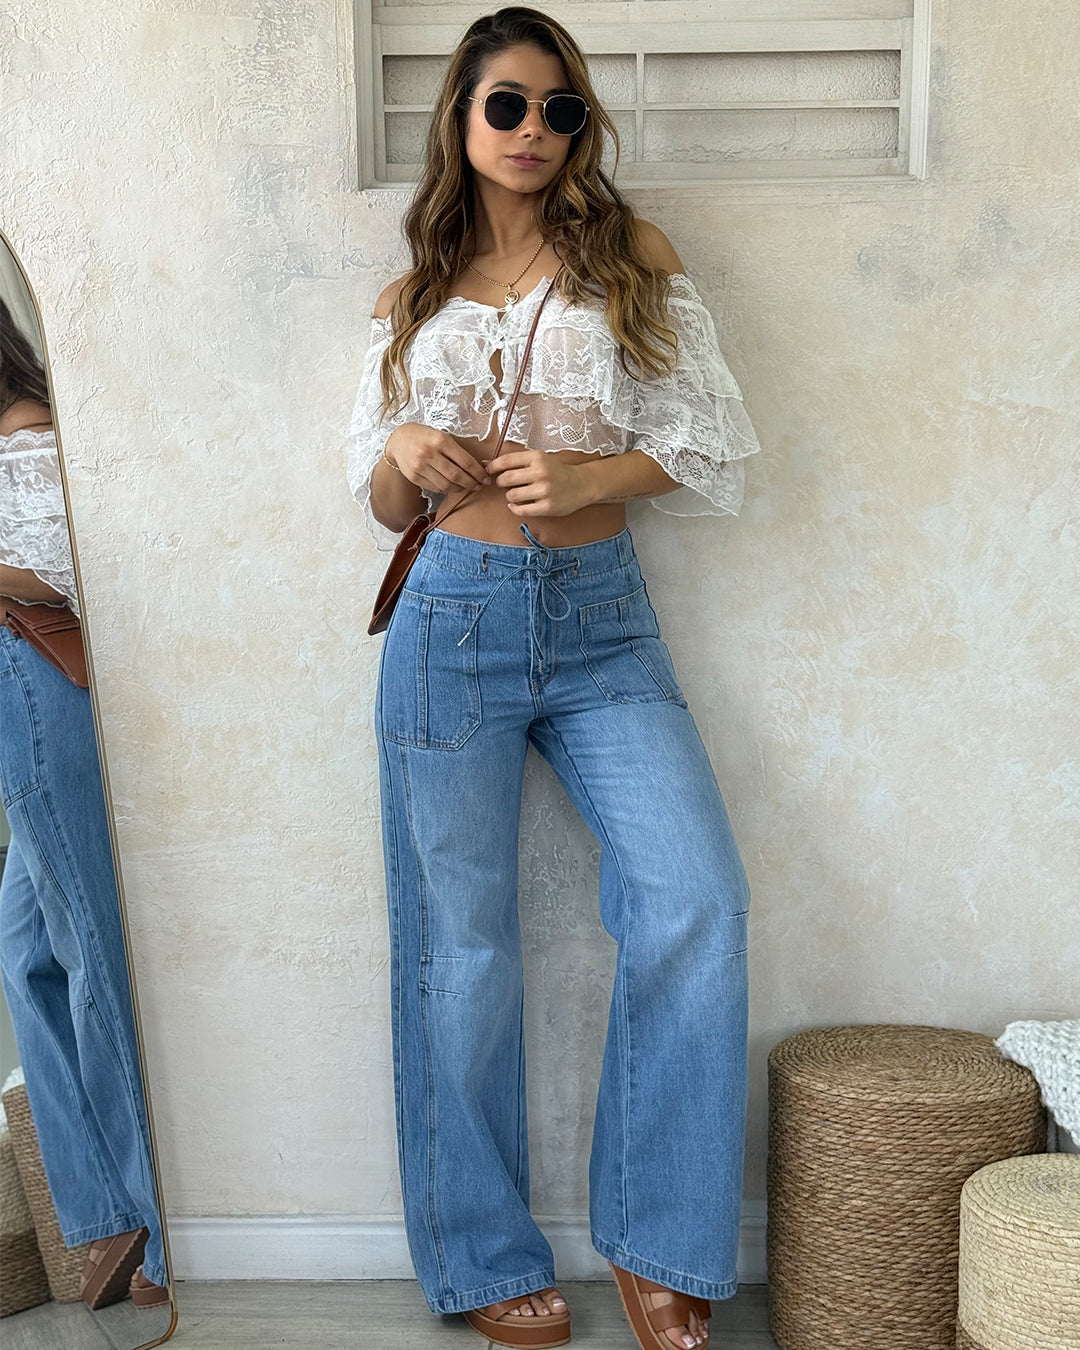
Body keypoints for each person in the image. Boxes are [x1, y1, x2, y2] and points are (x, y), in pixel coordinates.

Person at [346, 10, 761, 1349]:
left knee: (695, 896)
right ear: (461, 120)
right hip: (450, 623)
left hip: (604, 627)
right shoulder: (412, 294)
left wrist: (587, 478)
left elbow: (705, 444)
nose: (534, 131)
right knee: (459, 948)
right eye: (508, 106)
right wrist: (406, 449)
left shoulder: (631, 258)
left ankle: (659, 1239)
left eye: (560, 109)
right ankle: (480, 1255)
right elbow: (379, 503)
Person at [0, 299, 168, 1309]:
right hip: (16, 695)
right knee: (24, 953)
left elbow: (61, 572)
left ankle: (158, 1227)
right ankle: (108, 1210)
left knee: (87, 951)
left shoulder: (22, 427)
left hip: (32, 684)